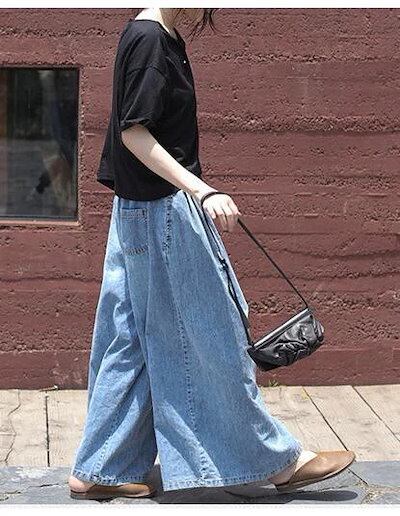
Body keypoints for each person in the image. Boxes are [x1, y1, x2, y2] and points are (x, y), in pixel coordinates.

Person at [68, 8, 355, 500]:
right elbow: (133, 133)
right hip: (161, 211)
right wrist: (201, 190)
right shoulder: (151, 40)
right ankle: (270, 461)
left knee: (131, 340)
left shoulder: (155, 35)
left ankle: (101, 468)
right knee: (212, 336)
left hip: (138, 212)